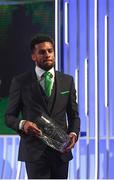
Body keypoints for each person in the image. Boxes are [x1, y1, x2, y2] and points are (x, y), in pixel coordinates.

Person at [5, 34, 80, 179]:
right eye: (42, 52)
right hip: (34, 152)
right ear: (33, 56)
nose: (47, 55)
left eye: (50, 51)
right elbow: (9, 117)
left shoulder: (67, 81)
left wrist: (73, 134)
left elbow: (74, 115)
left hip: (61, 153)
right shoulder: (20, 82)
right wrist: (23, 124)